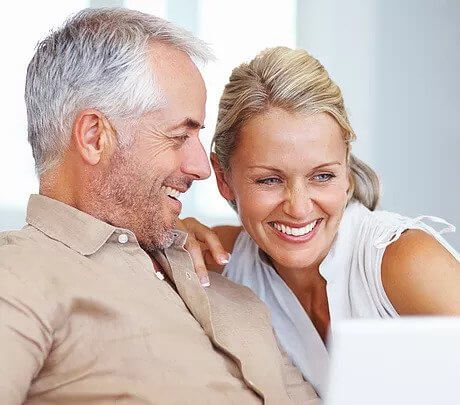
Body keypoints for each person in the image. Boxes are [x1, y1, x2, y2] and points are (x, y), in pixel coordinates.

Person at [0, 10, 320, 404]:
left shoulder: (223, 283)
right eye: (179, 136)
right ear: (94, 137)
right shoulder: (18, 277)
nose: (202, 167)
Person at [180, 46, 460, 397]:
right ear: (223, 179)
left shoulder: (404, 261)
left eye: (322, 176)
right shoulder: (221, 258)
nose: (298, 208)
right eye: (269, 180)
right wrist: (167, 236)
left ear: (347, 173)